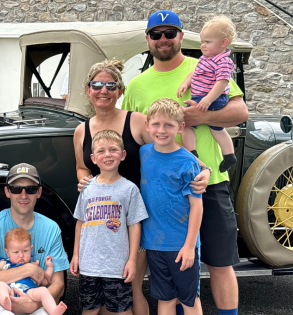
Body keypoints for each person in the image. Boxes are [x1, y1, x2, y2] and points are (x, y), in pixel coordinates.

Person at [122, 10, 247, 315]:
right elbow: (128, 132)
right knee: (173, 264)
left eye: (169, 33)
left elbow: (240, 111)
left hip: (211, 181)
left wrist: (202, 116)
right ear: (148, 40)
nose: (163, 39)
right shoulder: (137, 85)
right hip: (163, 192)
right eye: (156, 34)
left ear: (180, 36)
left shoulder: (205, 64)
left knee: (220, 262)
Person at [73, 59, 210, 315]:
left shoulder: (137, 121)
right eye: (97, 84)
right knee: (101, 297)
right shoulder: (81, 131)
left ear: (120, 91)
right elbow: (82, 166)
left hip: (139, 218)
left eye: (111, 85)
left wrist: (205, 169)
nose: (104, 90)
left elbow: (169, 149)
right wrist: (83, 178)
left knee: (132, 287)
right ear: (88, 89)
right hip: (102, 220)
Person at [0, 163, 70, 315]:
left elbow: (59, 284)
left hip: (33, 298)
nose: (23, 195)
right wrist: (27, 269)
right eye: (16, 189)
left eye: (31, 189)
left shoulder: (51, 228)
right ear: (7, 192)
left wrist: (33, 304)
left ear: (39, 192)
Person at [71, 130, 148, 315]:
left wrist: (131, 260)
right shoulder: (87, 188)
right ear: (93, 158)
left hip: (117, 265)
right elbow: (80, 222)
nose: (107, 154)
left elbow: (135, 225)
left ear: (122, 155)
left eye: (113, 150)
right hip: (89, 264)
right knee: (89, 309)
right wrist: (75, 255)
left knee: (122, 310)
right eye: (101, 151)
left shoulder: (129, 189)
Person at [140, 98, 203, 315]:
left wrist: (189, 246)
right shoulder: (144, 153)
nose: (162, 130)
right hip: (154, 242)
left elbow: (197, 207)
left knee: (189, 299)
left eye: (169, 125)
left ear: (180, 127)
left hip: (181, 243)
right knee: (164, 298)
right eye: (156, 124)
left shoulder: (187, 162)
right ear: (147, 126)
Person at [177, 15, 238, 172]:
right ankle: (229, 155)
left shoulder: (223, 61)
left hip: (213, 99)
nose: (203, 46)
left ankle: (192, 154)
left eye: (208, 42)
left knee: (186, 124)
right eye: (202, 42)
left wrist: (208, 100)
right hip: (200, 97)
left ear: (224, 42)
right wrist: (185, 83)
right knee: (215, 128)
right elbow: (194, 73)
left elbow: (222, 82)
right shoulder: (206, 59)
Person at [0, 228, 67, 315]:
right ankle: (5, 302)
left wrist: (50, 267)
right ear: (7, 252)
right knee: (0, 285)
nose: (21, 255)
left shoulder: (33, 266)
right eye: (16, 252)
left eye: (25, 251)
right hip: (10, 291)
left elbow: (44, 281)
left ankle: (53, 310)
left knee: (44, 290)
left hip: (29, 293)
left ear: (31, 249)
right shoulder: (5, 263)